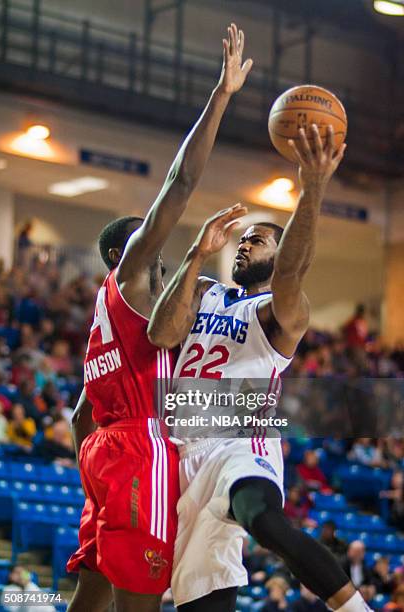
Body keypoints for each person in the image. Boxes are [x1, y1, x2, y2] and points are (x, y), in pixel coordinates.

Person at [66, 23, 253, 612]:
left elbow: (79, 415)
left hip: (105, 453)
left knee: (90, 594)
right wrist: (220, 97)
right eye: (151, 249)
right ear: (127, 255)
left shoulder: (104, 314)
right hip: (139, 451)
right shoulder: (129, 278)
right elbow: (180, 182)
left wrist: (100, 473)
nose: (161, 258)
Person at [148, 126, 373, 612]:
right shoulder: (206, 289)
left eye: (259, 241)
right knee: (200, 598)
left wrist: (311, 188)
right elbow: (162, 334)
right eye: (243, 239)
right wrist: (194, 255)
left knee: (264, 520)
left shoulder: (281, 312)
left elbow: (292, 269)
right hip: (182, 453)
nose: (245, 245)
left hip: (239, 438)